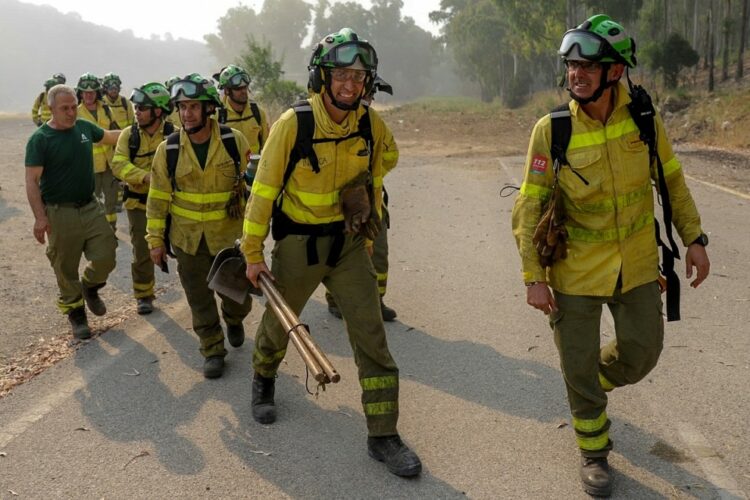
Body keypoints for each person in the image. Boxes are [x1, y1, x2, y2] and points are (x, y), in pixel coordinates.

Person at [511, 14, 710, 497]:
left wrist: (695, 238)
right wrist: (533, 277)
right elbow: (529, 205)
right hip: (574, 272)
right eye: (571, 66)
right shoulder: (551, 130)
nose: (574, 74)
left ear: (615, 72)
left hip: (637, 265)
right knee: (577, 368)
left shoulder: (644, 119)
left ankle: (586, 380)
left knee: (642, 354)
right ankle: (594, 453)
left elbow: (672, 181)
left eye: (587, 66)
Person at [240, 28, 421, 478]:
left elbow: (381, 170)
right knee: (279, 324)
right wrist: (251, 252)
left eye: (358, 77)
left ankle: (383, 434)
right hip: (298, 245)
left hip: (348, 246)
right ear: (322, 77)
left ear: (367, 83)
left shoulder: (369, 123)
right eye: (340, 74)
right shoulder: (293, 124)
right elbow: (262, 193)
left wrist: (368, 223)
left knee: (372, 338)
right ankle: (263, 381)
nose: (348, 84)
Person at [146, 73, 253, 379]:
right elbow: (157, 198)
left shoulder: (234, 142)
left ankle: (233, 321)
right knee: (199, 298)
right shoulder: (168, 150)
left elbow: (254, 192)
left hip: (229, 240)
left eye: (194, 106)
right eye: (182, 107)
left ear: (209, 109)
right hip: (187, 240)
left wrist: (255, 236)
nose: (187, 113)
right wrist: (155, 240)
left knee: (237, 299)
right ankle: (212, 348)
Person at [24, 84, 121, 339]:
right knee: (65, 268)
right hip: (60, 213)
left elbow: (111, 137)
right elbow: (31, 181)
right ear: (51, 109)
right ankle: (77, 316)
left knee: (107, 254)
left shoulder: (84, 128)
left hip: (90, 207)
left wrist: (141, 129)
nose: (70, 113)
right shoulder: (40, 140)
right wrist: (40, 217)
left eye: (72, 107)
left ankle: (90, 286)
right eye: (64, 108)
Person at [325, 75, 398, 321]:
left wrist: (369, 176)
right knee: (337, 251)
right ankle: (335, 300)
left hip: (370, 197)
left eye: (370, 95)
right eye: (368, 94)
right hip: (335, 200)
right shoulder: (328, 121)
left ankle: (376, 300)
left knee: (378, 250)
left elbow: (391, 154)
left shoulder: (372, 123)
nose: (368, 99)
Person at [111, 82, 174, 315]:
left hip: (171, 205)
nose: (136, 111)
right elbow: (118, 164)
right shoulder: (129, 135)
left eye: (142, 108)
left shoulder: (174, 135)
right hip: (138, 204)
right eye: (135, 107)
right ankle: (144, 295)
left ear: (158, 111)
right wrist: (144, 177)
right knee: (142, 251)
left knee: (185, 248)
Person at [76, 73, 119, 230]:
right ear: (80, 93)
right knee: (91, 200)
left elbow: (115, 132)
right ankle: (95, 230)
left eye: (92, 92)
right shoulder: (75, 112)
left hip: (109, 163)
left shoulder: (106, 109)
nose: (88, 95)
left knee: (111, 200)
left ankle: (111, 229)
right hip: (88, 165)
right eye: (85, 92)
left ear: (97, 93)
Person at [214, 64, 269, 154]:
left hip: (254, 166)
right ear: (227, 90)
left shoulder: (258, 112)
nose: (243, 91)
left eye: (245, 87)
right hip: (230, 167)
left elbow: (267, 145)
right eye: (238, 89)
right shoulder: (217, 116)